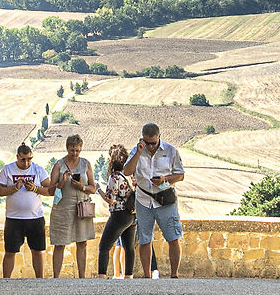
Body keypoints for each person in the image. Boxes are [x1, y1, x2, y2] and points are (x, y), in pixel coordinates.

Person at [133, 119, 185, 279]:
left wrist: (165, 179)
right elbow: (128, 171)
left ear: (159, 138)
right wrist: (138, 153)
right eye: (147, 143)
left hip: (165, 199)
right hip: (143, 200)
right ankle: (147, 275)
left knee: (173, 236)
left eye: (153, 143)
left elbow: (181, 175)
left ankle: (174, 274)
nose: (150, 146)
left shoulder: (170, 150)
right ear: (142, 139)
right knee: (144, 239)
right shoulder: (137, 150)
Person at [0, 140, 48, 278]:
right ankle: (6, 280)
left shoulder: (38, 169)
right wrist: (15, 187)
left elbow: (50, 190)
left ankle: (40, 280)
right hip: (14, 218)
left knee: (37, 251)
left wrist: (35, 188)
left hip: (35, 217)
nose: (26, 163)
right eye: (23, 160)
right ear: (17, 157)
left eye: (29, 159)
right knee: (10, 251)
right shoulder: (8, 169)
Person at [44, 135, 95, 279]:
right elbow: (50, 190)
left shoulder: (86, 164)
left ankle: (82, 277)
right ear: (67, 148)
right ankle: (56, 278)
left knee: (82, 242)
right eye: (72, 150)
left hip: (82, 207)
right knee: (60, 243)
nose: (75, 153)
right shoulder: (58, 165)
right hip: (63, 208)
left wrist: (82, 186)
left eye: (78, 150)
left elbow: (93, 188)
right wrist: (62, 181)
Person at [98, 144, 137, 278]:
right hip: (131, 214)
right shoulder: (130, 176)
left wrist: (99, 190)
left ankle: (102, 276)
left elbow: (110, 199)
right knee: (129, 247)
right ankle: (128, 276)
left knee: (104, 246)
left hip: (119, 214)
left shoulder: (114, 177)